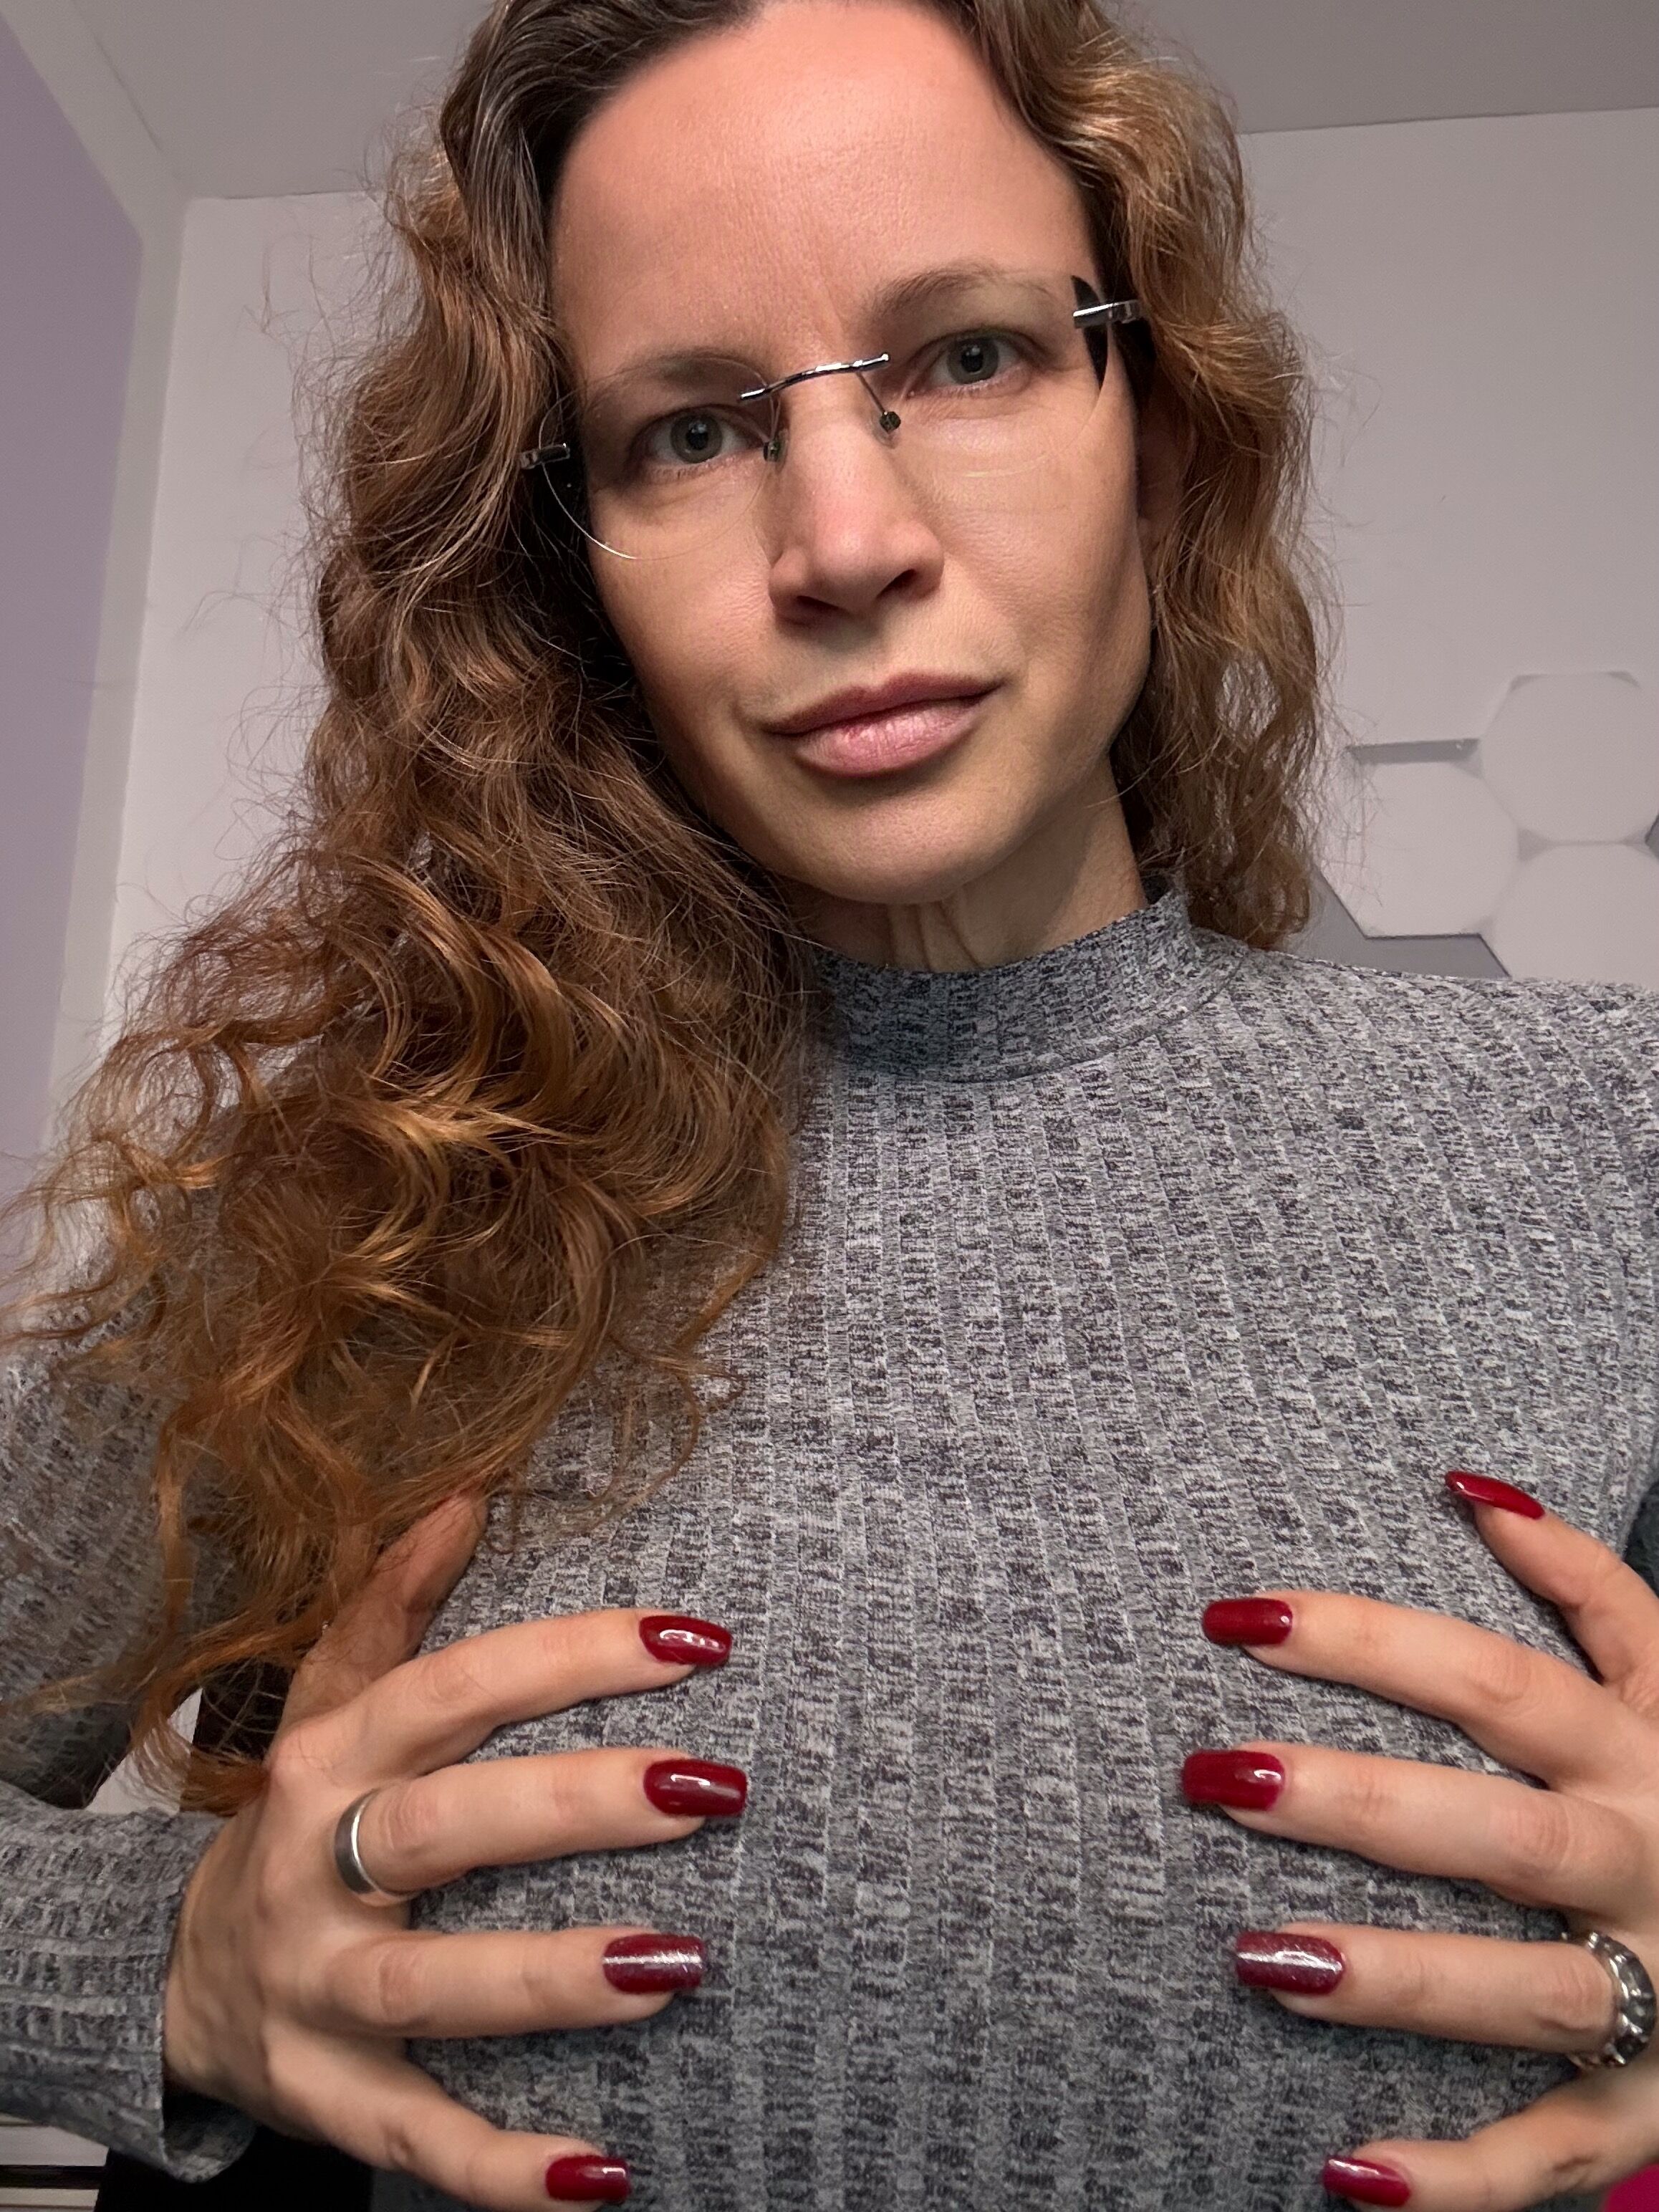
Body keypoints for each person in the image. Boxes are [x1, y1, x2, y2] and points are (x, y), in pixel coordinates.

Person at [1, 0, 1656, 2206]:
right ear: (570, 568)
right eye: (689, 428)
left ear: (1156, 429)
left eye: (968, 355)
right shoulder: (354, 1208)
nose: (846, 538)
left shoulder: (1600, 1147)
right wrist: (160, 1970)